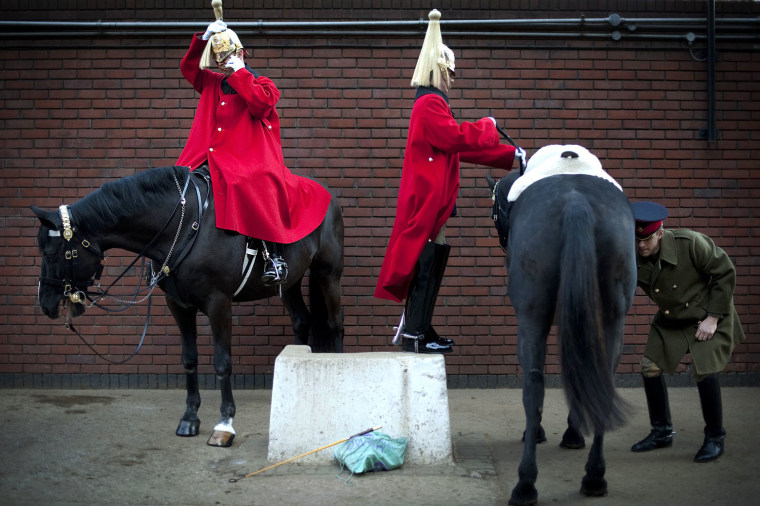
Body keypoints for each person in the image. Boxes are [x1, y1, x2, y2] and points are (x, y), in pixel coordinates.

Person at [374, 9, 519, 354]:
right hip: (427, 198)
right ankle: (416, 331)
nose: (453, 77)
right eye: (450, 71)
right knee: (425, 258)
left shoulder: (434, 103)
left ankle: (419, 327)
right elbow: (455, 138)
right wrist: (487, 124)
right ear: (439, 69)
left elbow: (458, 150)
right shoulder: (429, 103)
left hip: (434, 199)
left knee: (430, 257)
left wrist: (510, 156)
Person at [176, 18, 331, 286]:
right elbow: (188, 68)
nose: (223, 61)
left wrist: (241, 74)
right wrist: (203, 38)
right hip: (207, 155)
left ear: (240, 54)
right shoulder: (211, 82)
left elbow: (261, 104)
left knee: (253, 183)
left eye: (227, 55)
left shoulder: (262, 83)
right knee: (178, 185)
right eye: (218, 57)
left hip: (248, 159)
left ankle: (274, 256)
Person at [630, 201, 745, 462]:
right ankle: (662, 432)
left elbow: (725, 272)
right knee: (649, 367)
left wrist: (714, 317)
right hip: (672, 319)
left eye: (646, 240)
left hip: (708, 315)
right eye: (637, 239)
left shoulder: (690, 242)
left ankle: (715, 437)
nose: (641, 246)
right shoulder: (634, 253)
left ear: (660, 233)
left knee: (704, 370)